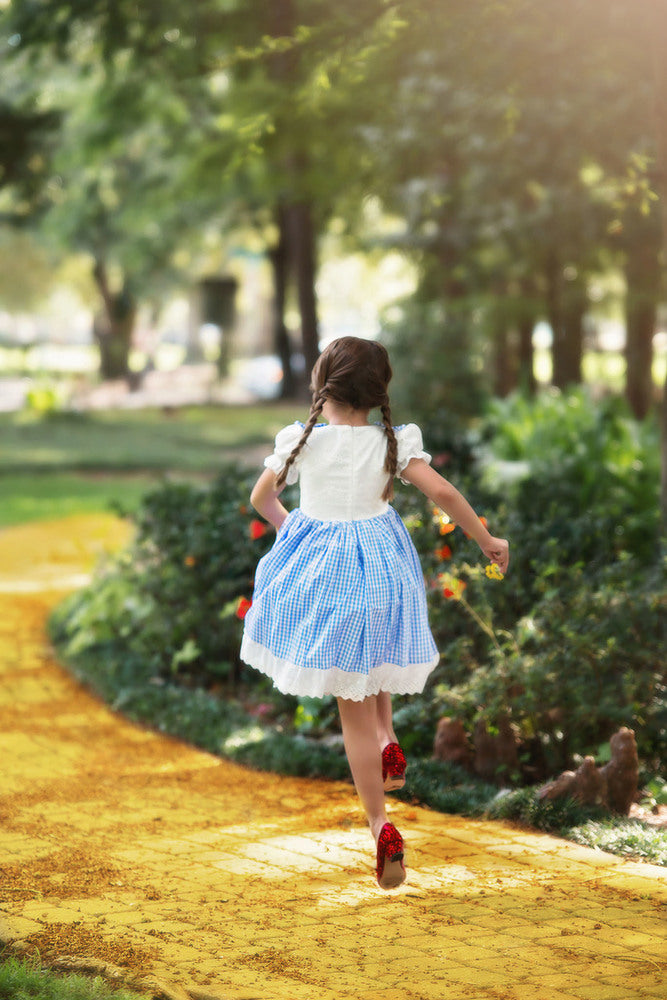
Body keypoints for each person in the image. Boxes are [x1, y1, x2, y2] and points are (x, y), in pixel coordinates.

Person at [241, 336, 509, 890]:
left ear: (323, 385)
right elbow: (445, 494)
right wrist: (486, 539)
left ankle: (378, 824)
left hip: (328, 579)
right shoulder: (392, 441)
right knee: (377, 659)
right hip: (384, 573)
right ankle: (390, 741)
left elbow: (261, 500)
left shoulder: (302, 440)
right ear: (378, 391)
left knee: (352, 709)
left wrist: (302, 533)